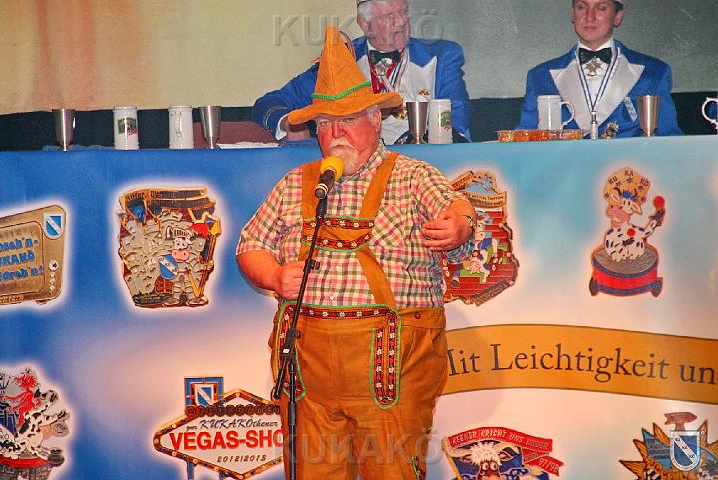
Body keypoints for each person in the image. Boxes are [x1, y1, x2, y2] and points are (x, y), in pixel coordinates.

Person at [237, 26, 475, 479]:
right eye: (325, 124)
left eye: (347, 120)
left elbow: (458, 208)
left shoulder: (413, 176)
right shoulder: (296, 183)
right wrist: (273, 276)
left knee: (392, 471)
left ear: (375, 120)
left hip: (392, 368)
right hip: (308, 374)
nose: (336, 133)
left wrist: (459, 225)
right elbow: (251, 246)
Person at [252, 0, 472, 144]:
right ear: (365, 24)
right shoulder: (341, 59)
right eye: (388, 16)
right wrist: (288, 122)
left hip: (425, 163)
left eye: (403, 12)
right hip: (359, 170)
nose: (400, 22)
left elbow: (457, 122)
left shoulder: (441, 56)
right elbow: (269, 103)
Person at [516, 0, 683, 137]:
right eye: (582, 7)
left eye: (601, 8)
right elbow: (524, 140)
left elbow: (669, 141)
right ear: (572, 14)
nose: (589, 17)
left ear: (618, 17)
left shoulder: (653, 73)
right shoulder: (540, 77)